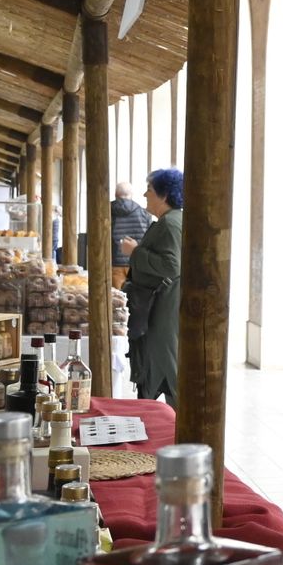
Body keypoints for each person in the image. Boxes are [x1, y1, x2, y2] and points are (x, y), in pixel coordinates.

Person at [123, 169, 183, 407]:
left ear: (164, 194)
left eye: (149, 189)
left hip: (164, 307)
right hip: (161, 305)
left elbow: (171, 265)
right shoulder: (170, 221)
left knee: (165, 361)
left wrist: (135, 252)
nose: (145, 194)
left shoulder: (170, 224)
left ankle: (172, 423)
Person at [111, 181, 152, 289]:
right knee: (134, 299)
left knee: (116, 300)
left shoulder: (106, 211)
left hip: (114, 263)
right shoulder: (144, 213)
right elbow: (149, 237)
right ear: (131, 195)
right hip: (136, 262)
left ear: (116, 195)